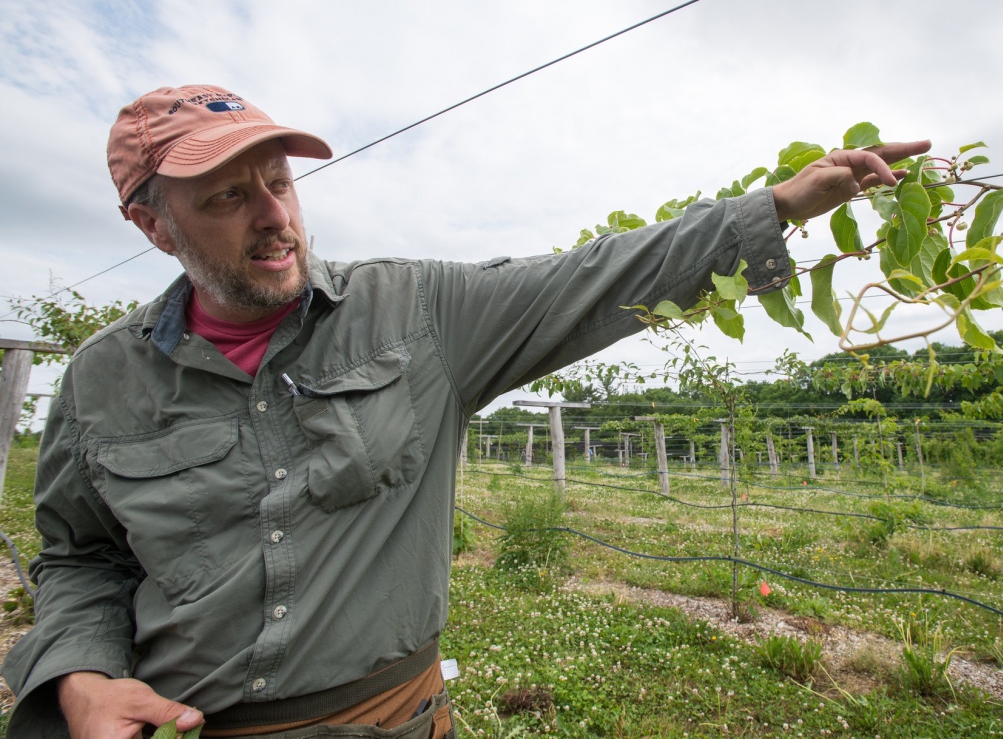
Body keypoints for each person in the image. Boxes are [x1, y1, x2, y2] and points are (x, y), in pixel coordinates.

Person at [1, 84, 928, 738]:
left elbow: (594, 274)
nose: (273, 216)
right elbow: (84, 555)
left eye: (279, 182)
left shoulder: (414, 313)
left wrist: (785, 204)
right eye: (227, 198)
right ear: (153, 224)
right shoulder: (99, 383)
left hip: (390, 722)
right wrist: (80, 677)